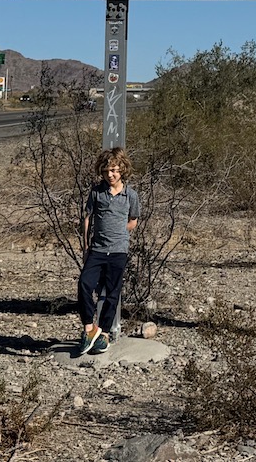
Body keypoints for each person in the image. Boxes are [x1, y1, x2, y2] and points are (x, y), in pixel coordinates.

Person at [77, 146, 141, 355]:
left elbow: (133, 221)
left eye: (114, 170)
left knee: (112, 293)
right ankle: (89, 328)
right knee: (85, 285)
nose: (110, 175)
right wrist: (86, 247)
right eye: (106, 171)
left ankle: (103, 335)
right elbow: (87, 219)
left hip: (118, 251)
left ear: (122, 169)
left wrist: (119, 234)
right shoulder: (96, 193)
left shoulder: (130, 195)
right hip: (96, 249)